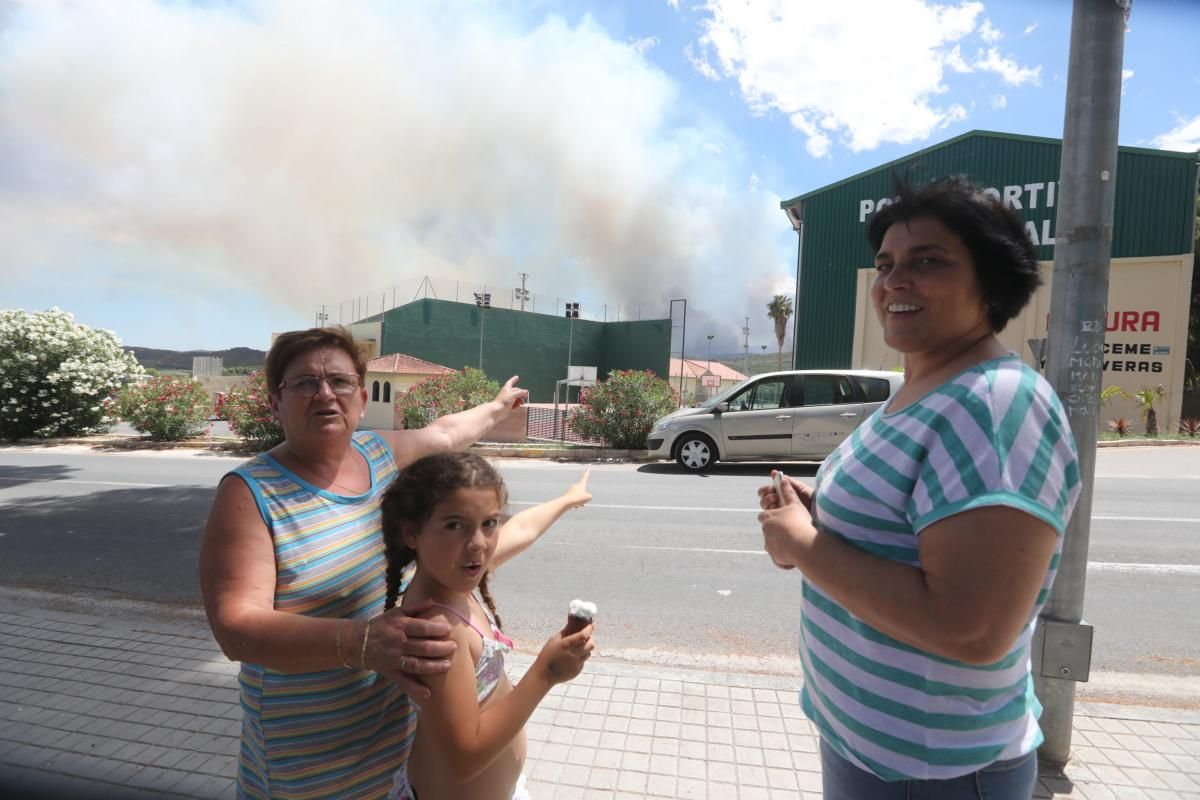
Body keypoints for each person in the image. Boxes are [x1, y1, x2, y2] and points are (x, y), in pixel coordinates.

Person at [758, 176, 1082, 799]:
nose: (893, 281)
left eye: (927, 261)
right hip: (873, 747)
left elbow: (972, 629)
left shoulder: (994, 405)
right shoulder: (919, 389)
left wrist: (804, 546)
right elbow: (898, 532)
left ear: (990, 282)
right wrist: (817, 517)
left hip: (935, 772)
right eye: (884, 264)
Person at [199, 325, 529, 800]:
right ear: (276, 403)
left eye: (340, 381)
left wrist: (497, 408)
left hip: (393, 752)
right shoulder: (250, 493)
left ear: (360, 397)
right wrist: (362, 641)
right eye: (305, 383)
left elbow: (444, 434)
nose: (325, 394)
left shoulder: (376, 454)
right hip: (307, 768)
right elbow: (235, 627)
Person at [380, 452, 595, 800]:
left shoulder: (452, 573)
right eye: (455, 525)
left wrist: (568, 498)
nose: (478, 543)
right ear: (411, 533)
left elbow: (523, 528)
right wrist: (547, 672)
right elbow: (463, 759)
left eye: (489, 523)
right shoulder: (437, 627)